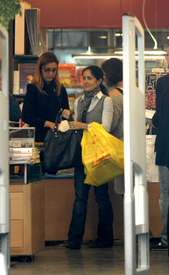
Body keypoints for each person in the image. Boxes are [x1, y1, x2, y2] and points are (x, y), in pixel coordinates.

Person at [64, 65, 114, 249]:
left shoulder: (106, 101)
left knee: (101, 196)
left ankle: (105, 238)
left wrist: (83, 125)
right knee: (80, 197)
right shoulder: (78, 101)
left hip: (98, 154)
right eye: (84, 78)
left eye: (89, 78)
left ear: (99, 81)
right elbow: (75, 127)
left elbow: (106, 128)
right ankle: (74, 239)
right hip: (81, 154)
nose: (85, 81)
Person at [22, 51, 70, 142]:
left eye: (54, 70)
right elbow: (26, 116)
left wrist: (66, 113)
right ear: (40, 69)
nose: (51, 74)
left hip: (57, 138)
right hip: (39, 137)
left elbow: (65, 111)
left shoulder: (60, 88)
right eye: (47, 70)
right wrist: (49, 124)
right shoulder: (33, 88)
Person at [151, 48, 169, 250]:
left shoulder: (163, 83)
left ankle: (166, 238)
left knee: (166, 194)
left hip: (165, 145)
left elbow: (158, 116)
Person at [102, 58, 124, 194]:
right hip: (135, 148)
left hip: (119, 148)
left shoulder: (113, 97)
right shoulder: (133, 92)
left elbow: (109, 125)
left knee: (124, 192)